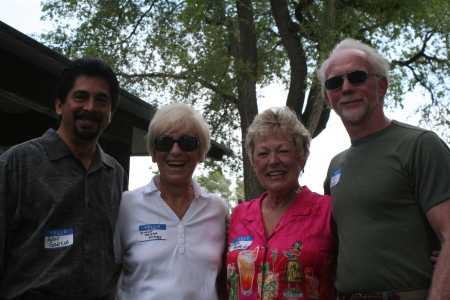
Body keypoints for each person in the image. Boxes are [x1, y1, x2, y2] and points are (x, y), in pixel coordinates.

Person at [319, 38, 450, 299]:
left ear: (381, 85)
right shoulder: (336, 165)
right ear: (327, 98)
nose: (345, 88)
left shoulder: (419, 145)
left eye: (357, 77)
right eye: (334, 82)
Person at [0, 57, 128, 299]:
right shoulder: (18, 163)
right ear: (59, 104)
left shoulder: (116, 175)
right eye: (80, 97)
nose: (90, 107)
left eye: (101, 100)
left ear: (111, 113)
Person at [113, 102, 229, 300]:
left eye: (188, 142)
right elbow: (109, 273)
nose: (175, 151)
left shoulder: (218, 210)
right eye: (165, 142)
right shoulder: (126, 205)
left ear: (201, 153)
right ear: (153, 152)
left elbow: (224, 282)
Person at [226, 107, 337, 300]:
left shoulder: (328, 211)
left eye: (283, 151)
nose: (273, 161)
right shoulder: (239, 215)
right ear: (253, 162)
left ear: (302, 157)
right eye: (262, 154)